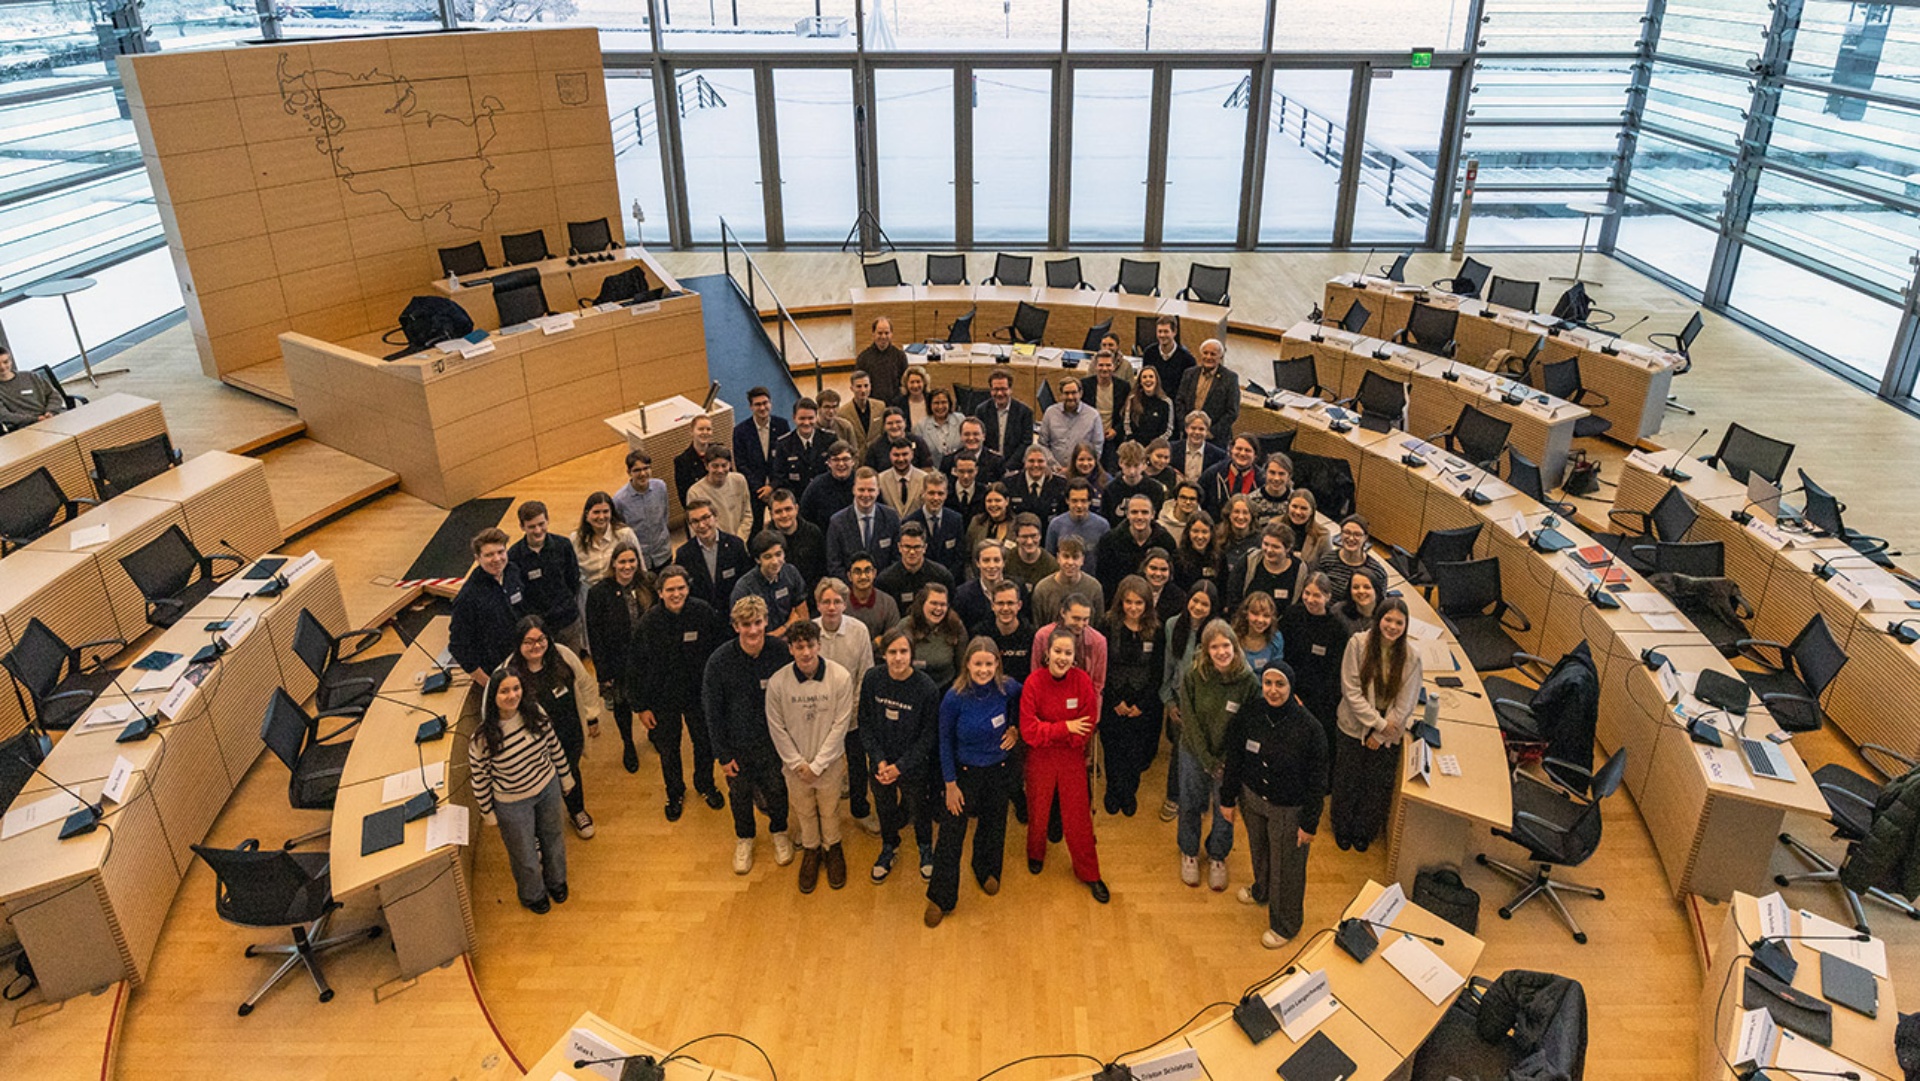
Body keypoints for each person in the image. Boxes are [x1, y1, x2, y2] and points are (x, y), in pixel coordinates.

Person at [1221, 662, 1328, 948]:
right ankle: (1262, 890)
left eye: (1279, 684)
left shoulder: (1310, 728)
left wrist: (1309, 823)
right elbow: (1235, 757)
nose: (1273, 690)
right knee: (1260, 851)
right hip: (1252, 799)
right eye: (1268, 683)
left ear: (1291, 687)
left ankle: (1286, 924)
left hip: (1289, 809)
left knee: (1288, 867)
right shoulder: (1251, 713)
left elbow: (1318, 780)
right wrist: (1227, 798)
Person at [926, 636, 1021, 927]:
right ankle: (941, 897)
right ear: (967, 664)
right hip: (963, 774)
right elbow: (943, 741)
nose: (983, 670)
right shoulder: (954, 698)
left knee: (994, 825)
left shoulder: (1008, 688)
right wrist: (950, 784)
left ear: (997, 664)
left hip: (998, 770)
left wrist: (1015, 726)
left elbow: (1025, 702)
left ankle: (988, 869)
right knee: (951, 836)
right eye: (978, 664)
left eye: (989, 664)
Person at [703, 597, 796, 874]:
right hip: (737, 745)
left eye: (758, 623)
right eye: (746, 624)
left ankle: (780, 832)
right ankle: (744, 838)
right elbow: (712, 712)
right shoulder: (719, 662)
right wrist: (722, 754)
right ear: (735, 626)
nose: (753, 630)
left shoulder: (781, 652)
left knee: (777, 791)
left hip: (774, 744)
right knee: (740, 796)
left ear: (767, 622)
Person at [471, 669, 574, 913]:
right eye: (504, 691)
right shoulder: (483, 737)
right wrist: (488, 812)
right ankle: (533, 894)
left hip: (546, 786)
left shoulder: (535, 712)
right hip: (512, 802)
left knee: (553, 839)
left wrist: (566, 777)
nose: (512, 695)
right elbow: (480, 778)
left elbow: (553, 745)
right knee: (524, 854)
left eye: (516, 688)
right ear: (492, 696)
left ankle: (557, 881)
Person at [764, 620, 854, 893]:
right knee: (803, 810)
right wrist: (797, 764)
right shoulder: (778, 682)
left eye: (810, 646)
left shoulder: (840, 677)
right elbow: (776, 727)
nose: (806, 653)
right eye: (799, 647)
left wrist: (818, 764)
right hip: (796, 767)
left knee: (829, 809)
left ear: (820, 645)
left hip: (829, 763)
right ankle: (812, 850)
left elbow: (841, 724)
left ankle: (833, 847)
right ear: (790, 648)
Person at [1021, 628, 1109, 903]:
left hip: (1071, 757)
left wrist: (1052, 730)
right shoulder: (1033, 682)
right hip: (1040, 758)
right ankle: (1035, 853)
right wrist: (1065, 727)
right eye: (1057, 651)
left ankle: (1089, 872)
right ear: (1047, 653)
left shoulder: (1082, 681)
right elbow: (1028, 731)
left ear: (1075, 657)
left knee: (1078, 816)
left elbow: (1086, 727)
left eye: (1068, 653)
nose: (1062, 657)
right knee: (1038, 809)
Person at [633, 566, 728, 817]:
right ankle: (674, 793)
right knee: (669, 749)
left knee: (704, 743)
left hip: (698, 695)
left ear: (688, 588)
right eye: (670, 590)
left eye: (681, 588)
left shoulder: (703, 613)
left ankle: (705, 783)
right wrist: (641, 707)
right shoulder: (648, 623)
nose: (676, 594)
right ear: (660, 592)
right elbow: (636, 667)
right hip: (663, 699)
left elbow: (718, 654)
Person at [1331, 597, 1421, 852]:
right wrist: (1377, 724)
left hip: (1388, 730)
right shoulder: (1358, 644)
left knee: (1375, 783)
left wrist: (1380, 735)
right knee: (1347, 779)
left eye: (1399, 622)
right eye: (1388, 620)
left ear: (1406, 626)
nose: (1392, 626)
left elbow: (1406, 702)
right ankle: (1342, 826)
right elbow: (1351, 691)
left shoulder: (1411, 657)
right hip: (1355, 722)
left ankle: (1364, 830)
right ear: (1378, 620)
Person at [1176, 618, 1256, 891]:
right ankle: (1189, 851)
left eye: (1226, 645)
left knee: (1225, 810)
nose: (1221, 652)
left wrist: (1224, 761)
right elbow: (1189, 719)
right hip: (1195, 752)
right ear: (1206, 650)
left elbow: (1248, 725)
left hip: (1229, 760)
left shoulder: (1248, 682)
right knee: (1190, 803)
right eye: (1215, 647)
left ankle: (1218, 855)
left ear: (1235, 646)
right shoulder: (1194, 675)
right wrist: (1207, 760)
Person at [505, 616, 602, 839]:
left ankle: (577, 811)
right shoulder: (509, 670)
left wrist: (592, 716)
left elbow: (586, 685)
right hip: (532, 745)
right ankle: (539, 832)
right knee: (537, 785)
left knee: (571, 772)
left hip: (569, 734)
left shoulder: (563, 655)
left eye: (541, 639)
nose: (536, 646)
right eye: (528, 642)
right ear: (519, 644)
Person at [861, 628, 942, 885]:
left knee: (919, 808)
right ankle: (889, 847)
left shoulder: (926, 688)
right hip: (881, 762)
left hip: (913, 764)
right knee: (884, 807)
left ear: (912, 654)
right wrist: (880, 760)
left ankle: (925, 849)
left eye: (903, 651)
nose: (898, 658)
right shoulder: (872, 679)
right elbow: (864, 724)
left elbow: (929, 736)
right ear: (884, 654)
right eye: (892, 652)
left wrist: (901, 766)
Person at [584, 541, 654, 778]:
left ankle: (653, 733)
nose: (627, 566)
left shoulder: (648, 584)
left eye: (631, 561)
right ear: (613, 563)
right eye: (622, 561)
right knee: (622, 706)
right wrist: (604, 673)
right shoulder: (598, 593)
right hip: (618, 662)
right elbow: (595, 636)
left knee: (650, 700)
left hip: (646, 660)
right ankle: (628, 744)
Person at [814, 577, 877, 832]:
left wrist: (852, 708)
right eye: (826, 601)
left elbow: (866, 672)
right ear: (817, 605)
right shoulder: (810, 630)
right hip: (819, 714)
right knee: (823, 765)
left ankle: (860, 810)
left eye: (837, 601)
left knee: (858, 763)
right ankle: (823, 816)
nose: (831, 607)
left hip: (853, 712)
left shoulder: (859, 630)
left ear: (845, 604)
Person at [1100, 576, 1162, 817]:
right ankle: (1112, 790)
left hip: (1142, 701)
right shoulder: (1107, 624)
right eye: (1128, 602)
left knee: (1135, 753)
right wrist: (1114, 701)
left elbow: (1158, 669)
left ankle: (1129, 792)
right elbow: (1102, 664)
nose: (1133, 608)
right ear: (1120, 602)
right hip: (1113, 698)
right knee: (1113, 751)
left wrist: (1142, 705)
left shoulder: (1156, 629)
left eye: (1139, 603)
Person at [1158, 583, 1219, 821]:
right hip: (1180, 703)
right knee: (1179, 753)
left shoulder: (1217, 631)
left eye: (1205, 604)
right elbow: (1169, 666)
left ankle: (1200, 802)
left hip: (1207, 705)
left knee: (1203, 753)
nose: (1198, 607)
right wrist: (1169, 702)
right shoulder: (1173, 625)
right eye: (1195, 601)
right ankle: (1173, 796)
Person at [1280, 572, 1349, 758]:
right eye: (1307, 593)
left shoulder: (1338, 630)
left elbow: (1335, 674)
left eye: (1317, 595)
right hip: (1288, 691)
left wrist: (1310, 703)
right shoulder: (1291, 615)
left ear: (1328, 597)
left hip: (1319, 701)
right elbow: (1282, 655)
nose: (1310, 599)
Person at [449, 528, 527, 685]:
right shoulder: (468, 596)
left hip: (523, 660)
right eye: (489, 555)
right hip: (495, 670)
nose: (497, 559)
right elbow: (458, 645)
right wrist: (487, 682)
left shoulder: (513, 572)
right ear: (477, 558)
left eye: (500, 552)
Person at [508, 501, 584, 653]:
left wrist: (565, 604)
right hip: (539, 628)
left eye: (541, 524)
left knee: (571, 665)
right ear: (522, 527)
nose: (538, 530)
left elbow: (573, 579)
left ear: (548, 520)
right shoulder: (514, 556)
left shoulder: (563, 545)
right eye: (531, 526)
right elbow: (518, 594)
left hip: (567, 621)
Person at [732, 386, 790, 535]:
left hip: (778, 485)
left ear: (771, 403)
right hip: (754, 490)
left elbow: (786, 459)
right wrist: (760, 489)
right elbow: (741, 464)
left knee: (783, 524)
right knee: (754, 529)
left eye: (765, 403)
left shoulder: (782, 425)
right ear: (751, 407)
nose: (762, 407)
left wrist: (772, 486)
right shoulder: (740, 431)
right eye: (758, 404)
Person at [1094, 493, 1178, 596]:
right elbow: (1104, 579)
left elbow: (1171, 579)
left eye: (1144, 512)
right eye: (1134, 512)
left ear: (1153, 515)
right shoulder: (1109, 541)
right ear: (1127, 514)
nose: (1139, 517)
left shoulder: (1165, 541)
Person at [675, 498, 749, 612]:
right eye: (695, 521)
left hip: (735, 613)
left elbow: (746, 581)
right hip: (703, 616)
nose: (702, 525)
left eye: (705, 518)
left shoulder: (735, 545)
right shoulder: (684, 554)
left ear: (715, 517)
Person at [825, 467, 901, 578]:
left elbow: (897, 559)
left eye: (871, 490)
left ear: (878, 491)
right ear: (853, 490)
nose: (866, 495)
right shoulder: (837, 522)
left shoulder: (891, 517)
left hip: (884, 587)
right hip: (849, 589)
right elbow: (834, 564)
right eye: (861, 490)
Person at [732, 529, 809, 636]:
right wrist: (787, 626)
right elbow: (752, 636)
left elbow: (803, 618)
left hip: (793, 641)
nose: (775, 561)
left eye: (778, 554)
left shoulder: (791, 573)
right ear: (757, 560)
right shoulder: (744, 588)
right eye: (768, 557)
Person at [895, 582, 966, 689]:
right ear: (922, 603)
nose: (938, 608)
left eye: (943, 604)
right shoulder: (905, 626)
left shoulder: (956, 626)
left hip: (945, 689)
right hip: (911, 687)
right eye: (934, 603)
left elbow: (962, 667)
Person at [1031, 533, 1107, 629]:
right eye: (1066, 556)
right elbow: (1038, 627)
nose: (1070, 562)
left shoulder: (1094, 588)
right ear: (1058, 558)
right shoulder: (1042, 589)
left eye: (1075, 557)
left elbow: (1098, 626)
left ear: (1082, 560)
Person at [612, 450, 673, 571]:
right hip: (639, 560)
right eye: (637, 470)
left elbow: (665, 515)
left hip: (663, 553)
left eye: (646, 468)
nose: (643, 473)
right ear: (629, 472)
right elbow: (620, 531)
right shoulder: (619, 500)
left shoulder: (660, 487)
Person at [1226, 521, 1306, 610]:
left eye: (1275, 547)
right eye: (1266, 544)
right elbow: (1233, 595)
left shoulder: (1299, 569)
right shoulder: (1249, 561)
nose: (1269, 550)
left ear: (1288, 548)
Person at [876, 522, 954, 611]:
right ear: (899, 547)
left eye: (917, 547)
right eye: (907, 547)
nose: (912, 552)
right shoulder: (885, 581)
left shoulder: (942, 576)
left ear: (925, 548)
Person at [1175, 338, 1241, 443]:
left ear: (1221, 357)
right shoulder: (1189, 373)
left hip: (1215, 439)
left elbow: (1232, 411)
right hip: (1189, 435)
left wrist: (1210, 432)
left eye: (1213, 354)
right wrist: (1186, 427)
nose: (1208, 357)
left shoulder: (1230, 378)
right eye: (1205, 353)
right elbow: (1179, 401)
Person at [1316, 513, 1390, 600]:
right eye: (1347, 532)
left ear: (1365, 538)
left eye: (1357, 534)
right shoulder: (1327, 560)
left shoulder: (1377, 572)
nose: (1351, 538)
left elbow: (1379, 605)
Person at [906, 472, 966, 578]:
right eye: (931, 493)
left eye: (940, 493)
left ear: (946, 494)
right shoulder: (910, 522)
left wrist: (946, 579)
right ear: (923, 493)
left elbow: (960, 558)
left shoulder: (956, 520)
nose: (935, 498)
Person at [767, 488, 827, 591]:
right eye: (778, 511)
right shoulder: (765, 541)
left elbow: (822, 570)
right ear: (771, 514)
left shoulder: (813, 533)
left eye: (788, 509)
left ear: (796, 509)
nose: (784, 515)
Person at [1037, 376, 1102, 471]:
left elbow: (1097, 448)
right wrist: (1055, 466)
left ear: (1080, 393)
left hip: (1082, 472)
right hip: (1054, 471)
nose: (1070, 397)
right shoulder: (1050, 413)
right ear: (1061, 395)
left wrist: (1077, 468)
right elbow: (1042, 444)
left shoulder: (1093, 416)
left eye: (1074, 393)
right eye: (1066, 393)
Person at [575, 492, 640, 585]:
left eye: (605, 512)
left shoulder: (625, 534)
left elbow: (640, 567)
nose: (601, 517)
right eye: (596, 512)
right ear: (587, 515)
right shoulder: (576, 540)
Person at [1045, 479, 1110, 571]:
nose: (1079, 505)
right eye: (1074, 501)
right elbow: (1050, 559)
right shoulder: (1055, 525)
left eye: (1083, 501)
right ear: (1067, 500)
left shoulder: (1102, 526)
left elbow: (1106, 561)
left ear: (1090, 501)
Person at [973, 367, 1034, 463]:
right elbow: (979, 440)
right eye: (995, 389)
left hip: (1015, 467)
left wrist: (1008, 466)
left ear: (1010, 389)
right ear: (990, 390)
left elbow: (1026, 443)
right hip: (988, 465)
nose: (999, 393)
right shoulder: (981, 411)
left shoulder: (1025, 412)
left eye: (1003, 389)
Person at [773, 396, 831, 497]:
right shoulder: (784, 444)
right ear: (794, 418)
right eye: (802, 418)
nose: (806, 423)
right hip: (797, 500)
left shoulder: (829, 439)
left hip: (825, 498)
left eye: (810, 418)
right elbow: (780, 478)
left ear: (816, 417)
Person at [691, 446, 753, 538]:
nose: (720, 470)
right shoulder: (695, 492)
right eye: (715, 466)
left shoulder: (739, 480)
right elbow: (696, 528)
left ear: (730, 465)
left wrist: (739, 540)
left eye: (724, 465)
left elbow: (747, 514)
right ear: (706, 466)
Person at [0, 343, 66, 428]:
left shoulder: (30, 376)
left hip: (53, 416)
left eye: (5, 362)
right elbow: (5, 415)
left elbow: (53, 395)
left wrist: (50, 411)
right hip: (28, 426)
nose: (2, 367)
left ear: (11, 362)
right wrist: (36, 419)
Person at [844, 552, 902, 644]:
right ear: (849, 576)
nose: (863, 576)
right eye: (857, 572)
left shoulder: (888, 603)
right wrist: (875, 644)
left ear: (874, 573)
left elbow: (893, 639)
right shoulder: (841, 603)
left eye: (867, 571)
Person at [799, 440, 858, 527]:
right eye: (836, 460)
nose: (841, 464)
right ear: (829, 463)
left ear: (853, 461)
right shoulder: (816, 487)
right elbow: (805, 518)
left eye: (845, 459)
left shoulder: (862, 484)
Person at [1103, 441, 1166, 520]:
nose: (1132, 471)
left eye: (1136, 465)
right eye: (1128, 465)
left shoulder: (1155, 489)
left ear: (1144, 464)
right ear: (1120, 463)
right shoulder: (1110, 489)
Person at [1201, 435, 1262, 515]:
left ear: (1255, 455)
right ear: (1231, 450)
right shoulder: (1212, 474)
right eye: (1239, 449)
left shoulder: (1262, 480)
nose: (1242, 453)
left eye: (1247, 450)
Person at [1088, 350, 1130, 463]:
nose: (1105, 369)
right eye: (1101, 365)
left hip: (1111, 438)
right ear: (1095, 366)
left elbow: (1128, 414)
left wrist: (1116, 430)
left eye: (1108, 365)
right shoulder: (1085, 385)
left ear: (1114, 366)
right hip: (1090, 436)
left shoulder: (1123, 387)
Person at [863, 408, 935, 472]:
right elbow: (870, 473)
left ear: (905, 422)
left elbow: (927, 468)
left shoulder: (918, 442)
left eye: (898, 422)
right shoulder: (875, 447)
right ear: (884, 426)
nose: (894, 426)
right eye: (890, 423)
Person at [1007, 446, 1067, 522]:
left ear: (1046, 463)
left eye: (1040, 461)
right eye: (1031, 461)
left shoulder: (1061, 484)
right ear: (1024, 462)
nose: (1036, 465)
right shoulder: (1010, 483)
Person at [856, 316, 908, 402]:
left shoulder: (900, 356)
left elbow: (904, 384)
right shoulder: (863, 358)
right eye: (880, 333)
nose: (883, 337)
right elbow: (859, 384)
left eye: (887, 333)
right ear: (873, 334)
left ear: (891, 334)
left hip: (896, 404)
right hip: (872, 405)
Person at [671, 417, 717, 514]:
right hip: (700, 512)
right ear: (691, 432)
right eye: (700, 429)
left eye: (708, 429)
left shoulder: (720, 452)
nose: (705, 432)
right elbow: (684, 496)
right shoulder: (682, 461)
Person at [1141, 314, 1194, 399]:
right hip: (1153, 401)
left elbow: (1187, 390)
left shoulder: (1187, 359)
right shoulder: (1149, 353)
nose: (1162, 335)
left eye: (1166, 331)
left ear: (1174, 332)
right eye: (1159, 331)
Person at [941, 418, 1005, 488]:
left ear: (983, 436)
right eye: (967, 434)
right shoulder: (948, 461)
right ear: (961, 437)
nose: (971, 438)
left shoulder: (996, 462)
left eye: (976, 434)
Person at [1233, 591, 1286, 675]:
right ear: (1246, 614)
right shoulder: (1232, 638)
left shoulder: (1276, 638)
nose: (1260, 620)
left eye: (1266, 616)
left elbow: (1276, 673)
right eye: (1255, 614)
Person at [1122, 364, 1172, 449]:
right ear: (1140, 381)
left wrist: (1154, 446)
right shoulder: (1132, 399)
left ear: (1156, 380)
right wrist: (1134, 445)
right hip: (1134, 447)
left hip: (1156, 448)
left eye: (1151, 376)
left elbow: (1168, 430)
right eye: (1144, 377)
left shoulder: (1166, 402)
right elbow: (1127, 425)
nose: (1148, 379)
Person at [1005, 513, 1059, 592]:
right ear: (1016, 537)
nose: (1029, 542)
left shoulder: (1052, 565)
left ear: (1040, 535)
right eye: (1024, 537)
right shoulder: (1007, 560)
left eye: (1034, 536)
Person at [962, 483, 1016, 558]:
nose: (993, 504)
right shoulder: (976, 522)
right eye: (989, 501)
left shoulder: (1017, 525)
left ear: (1006, 501)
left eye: (997, 500)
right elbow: (967, 555)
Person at [878, 437, 928, 517]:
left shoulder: (925, 479)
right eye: (896, 455)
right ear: (890, 455)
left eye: (905, 454)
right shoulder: (880, 480)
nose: (901, 459)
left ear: (912, 454)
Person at [1172, 510, 1218, 594]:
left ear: (1211, 533)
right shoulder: (1177, 557)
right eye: (1195, 531)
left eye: (1204, 532)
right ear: (1188, 532)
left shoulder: (1219, 557)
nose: (1200, 537)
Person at [1285, 488, 1332, 567]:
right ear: (1288, 507)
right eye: (1294, 506)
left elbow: (1327, 568)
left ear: (1312, 511)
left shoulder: (1323, 536)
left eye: (1304, 508)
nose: (1298, 512)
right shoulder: (1275, 525)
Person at [1176, 411, 1226, 485]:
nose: (1197, 432)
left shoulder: (1218, 455)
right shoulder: (1172, 449)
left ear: (1207, 431)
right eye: (1193, 428)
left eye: (1201, 429)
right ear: (1186, 429)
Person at [917, 387, 965, 462]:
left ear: (949, 403)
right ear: (929, 405)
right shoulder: (921, 426)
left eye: (944, 402)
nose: (940, 406)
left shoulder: (960, 419)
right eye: (936, 403)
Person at [1335, 566, 1386, 634]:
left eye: (1367, 587)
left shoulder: (1387, 615)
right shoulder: (1338, 612)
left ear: (1376, 590)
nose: (1361, 591)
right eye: (1356, 587)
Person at [1247, 453, 1295, 523]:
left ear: (1289, 476)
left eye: (1281, 474)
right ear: (1265, 473)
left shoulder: (1296, 501)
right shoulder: (1252, 500)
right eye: (1272, 473)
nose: (1276, 478)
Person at [846, 371, 885, 451]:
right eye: (859, 386)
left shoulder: (880, 406)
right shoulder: (843, 412)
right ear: (851, 388)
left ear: (870, 386)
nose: (863, 390)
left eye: (866, 386)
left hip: (877, 455)